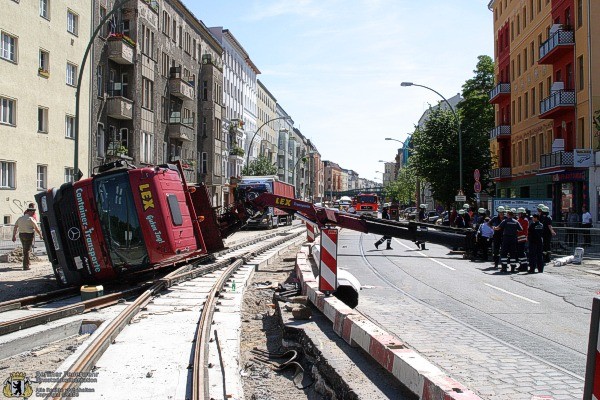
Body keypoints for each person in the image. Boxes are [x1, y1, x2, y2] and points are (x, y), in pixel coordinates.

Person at [12, 205, 43, 270]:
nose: (33, 213)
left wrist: (14, 236)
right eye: (33, 212)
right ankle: (25, 266)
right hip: (29, 235)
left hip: (21, 235)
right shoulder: (31, 219)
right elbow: (36, 228)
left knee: (25, 249)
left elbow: (15, 227)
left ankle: (27, 263)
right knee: (26, 251)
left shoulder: (20, 218)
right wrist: (40, 234)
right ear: (30, 212)